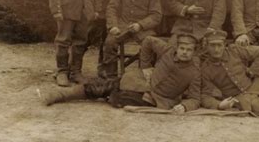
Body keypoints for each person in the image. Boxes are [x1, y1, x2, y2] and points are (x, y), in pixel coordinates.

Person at [39, 33, 201, 114]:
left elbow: (195, 98)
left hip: (157, 100)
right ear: (177, 48)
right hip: (142, 84)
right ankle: (59, 95)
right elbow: (148, 41)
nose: (185, 53)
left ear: (194, 52)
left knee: (117, 98)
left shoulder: (195, 71)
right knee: (106, 85)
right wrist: (145, 66)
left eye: (189, 50)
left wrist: (185, 106)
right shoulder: (167, 51)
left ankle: (110, 96)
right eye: (182, 48)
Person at [98, 0, 162, 80]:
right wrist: (113, 26)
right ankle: (111, 78)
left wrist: (140, 25)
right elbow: (112, 8)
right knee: (110, 43)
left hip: (144, 29)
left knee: (151, 45)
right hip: (122, 25)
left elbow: (156, 15)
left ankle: (145, 77)